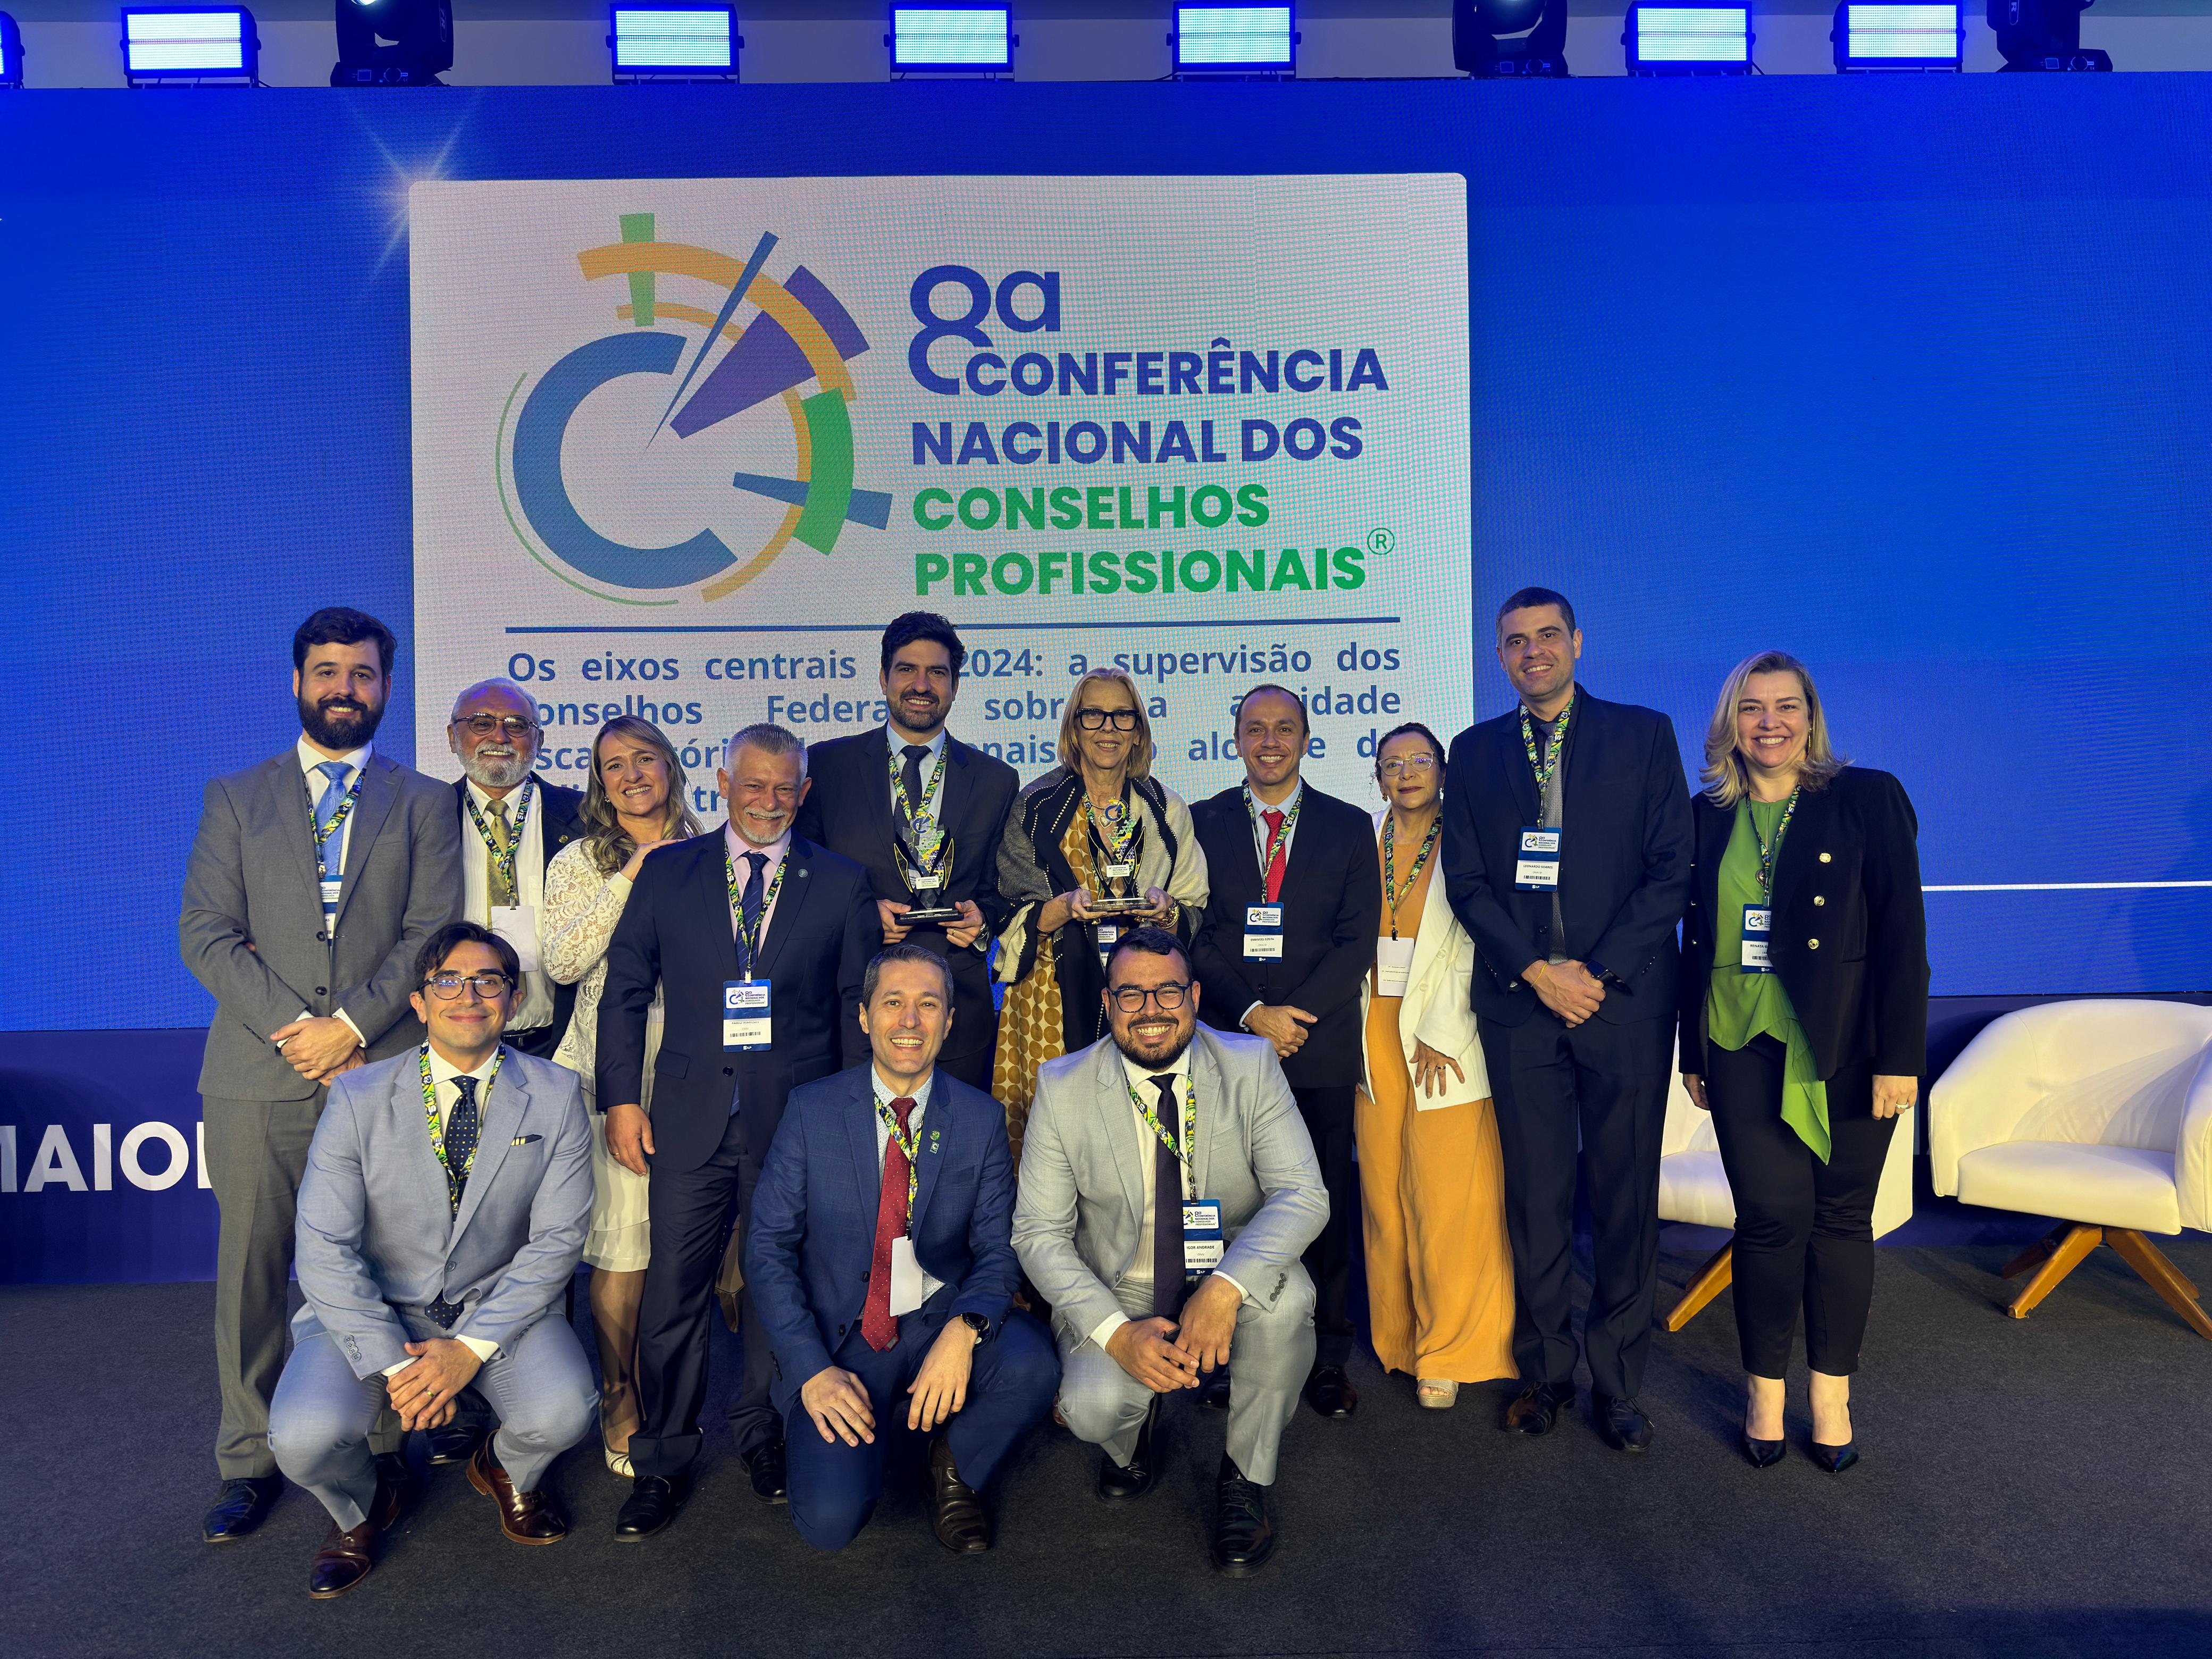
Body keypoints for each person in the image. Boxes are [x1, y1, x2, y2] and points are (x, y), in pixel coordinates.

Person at [180, 607, 462, 1546]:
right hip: (257, 1077)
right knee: (253, 1270)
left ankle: (385, 1439)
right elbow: (206, 933)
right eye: (329, 672)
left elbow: (430, 933)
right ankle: (248, 1457)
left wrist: (347, 1029)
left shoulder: (423, 801)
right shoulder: (235, 797)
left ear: (387, 687)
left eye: (365, 675)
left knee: (382, 1265)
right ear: (297, 681)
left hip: (379, 1071)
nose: (347, 688)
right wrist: (296, 1030)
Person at [597, 723, 877, 1539]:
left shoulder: (841, 882)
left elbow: (856, 1010)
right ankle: (664, 1458)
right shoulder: (670, 872)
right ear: (722, 783)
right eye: (753, 786)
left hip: (795, 1124)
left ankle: (763, 1435)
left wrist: (852, 1124)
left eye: (785, 788)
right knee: (673, 1297)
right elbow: (623, 989)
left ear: (804, 791)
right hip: (685, 1122)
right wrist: (621, 1099)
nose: (769, 802)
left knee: (772, 1288)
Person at [266, 922, 596, 1597]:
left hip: (495, 1309)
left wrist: (468, 1349)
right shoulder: (357, 1097)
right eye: (448, 980)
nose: (468, 995)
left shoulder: (558, 1094)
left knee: (565, 1411)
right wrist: (397, 1368)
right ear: (419, 1003)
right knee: (301, 1439)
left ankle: (506, 1469)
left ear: (512, 998)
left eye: (488, 981)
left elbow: (558, 1240)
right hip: (375, 1310)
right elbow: (323, 1246)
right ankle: (361, 1509)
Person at [1440, 587, 1691, 1453]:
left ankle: (1618, 1384)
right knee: (1538, 1204)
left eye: (1549, 636)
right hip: (1521, 1010)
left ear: (1578, 643)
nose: (1533, 652)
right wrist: (1538, 973)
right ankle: (1544, 1374)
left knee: (1624, 1201)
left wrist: (1597, 972)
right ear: (1500, 656)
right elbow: (1467, 883)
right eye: (1515, 642)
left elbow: (1671, 871)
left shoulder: (1643, 735)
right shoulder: (1472, 755)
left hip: (1622, 1008)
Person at [1012, 928, 1328, 1578]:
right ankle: (1131, 1441)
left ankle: (1244, 1476)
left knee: (1289, 1298)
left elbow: (1303, 1194)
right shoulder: (1063, 1084)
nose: (1150, 1009)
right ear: (1106, 1002)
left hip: (1229, 1265)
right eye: (1131, 994)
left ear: (1194, 995)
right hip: (1121, 1284)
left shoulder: (1249, 1065)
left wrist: (1224, 1288)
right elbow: (1037, 1234)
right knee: (1090, 1408)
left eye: (1167, 991)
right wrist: (1116, 1334)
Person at [1678, 651, 1927, 1473]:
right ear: (1730, 724)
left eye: (1787, 707)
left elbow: (1903, 938)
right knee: (1771, 1219)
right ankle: (1763, 1392)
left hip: (1849, 1043)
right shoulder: (1703, 813)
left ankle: (1830, 1395)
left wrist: (1900, 1058)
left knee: (1840, 1220)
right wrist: (1691, 1049)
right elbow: (1692, 942)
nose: (1770, 722)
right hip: (1738, 1038)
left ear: (1812, 719)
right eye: (1752, 708)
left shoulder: (1865, 798)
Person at [746, 944, 1060, 1554]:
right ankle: (868, 1433)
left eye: (927, 1005)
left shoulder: (979, 1118)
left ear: (948, 1021)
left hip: (935, 1321)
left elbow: (998, 1248)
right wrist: (811, 1370)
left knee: (1033, 1363)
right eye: (893, 1003)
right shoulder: (812, 1110)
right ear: (864, 1017)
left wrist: (965, 1330)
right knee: (829, 1524)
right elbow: (766, 1249)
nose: (909, 1021)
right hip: (843, 1337)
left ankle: (953, 1467)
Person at [1189, 685, 1381, 1419]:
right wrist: (1252, 1014)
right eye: (1255, 729)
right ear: (1235, 738)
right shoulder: (1200, 822)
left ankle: (1327, 1358)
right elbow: (1196, 934)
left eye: (1285, 728)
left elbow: (1354, 940)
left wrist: (1293, 1019)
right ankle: (1221, 1350)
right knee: (1226, 1205)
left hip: (1318, 1047)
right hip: (1228, 1047)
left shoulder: (1346, 825)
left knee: (1320, 1205)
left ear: (1307, 738)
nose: (1270, 741)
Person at [542, 715, 701, 1476]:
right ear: (599, 785)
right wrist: (637, 873)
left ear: (670, 766)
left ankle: (680, 1396)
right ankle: (619, 1394)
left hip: (704, 1071)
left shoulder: (717, 849)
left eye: (645, 758)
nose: (632, 774)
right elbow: (565, 960)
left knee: (693, 1248)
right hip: (613, 1076)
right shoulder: (579, 860)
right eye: (613, 766)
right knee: (625, 1249)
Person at [1354, 723, 1516, 1409]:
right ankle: (1398, 1339)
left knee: (1450, 1200)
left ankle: (1450, 1349)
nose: (1406, 772)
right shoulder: (1364, 842)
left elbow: (1483, 942)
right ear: (1378, 777)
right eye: (1392, 763)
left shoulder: (1470, 838)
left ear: (1443, 771)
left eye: (1420, 760)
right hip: (1373, 1032)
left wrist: (1443, 1031)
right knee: (1384, 1197)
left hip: (1445, 1035)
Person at [794, 612, 1020, 1092]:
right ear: (883, 677)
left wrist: (985, 918)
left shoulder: (996, 779)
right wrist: (861, 913)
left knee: (957, 1155)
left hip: (957, 1009)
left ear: (955, 686)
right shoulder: (829, 767)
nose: (922, 685)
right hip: (855, 1002)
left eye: (937, 673)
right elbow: (800, 879)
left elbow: (1004, 888)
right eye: (906, 670)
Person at [993, 668, 1209, 1164]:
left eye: (1122, 716)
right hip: (1052, 991)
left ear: (1138, 730)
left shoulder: (1165, 808)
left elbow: (1194, 907)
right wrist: (1063, 908)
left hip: (1145, 994)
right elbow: (1005, 906)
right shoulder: (1037, 805)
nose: (1107, 728)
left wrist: (1167, 912)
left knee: (1138, 1147)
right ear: (1074, 727)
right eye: (1094, 715)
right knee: (1056, 1145)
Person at [446, 678, 585, 1062]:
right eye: (481, 723)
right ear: (452, 737)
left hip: (563, 1046)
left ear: (538, 741)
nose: (500, 736)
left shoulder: (587, 817)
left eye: (517, 725)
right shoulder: (424, 816)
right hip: (455, 1040)